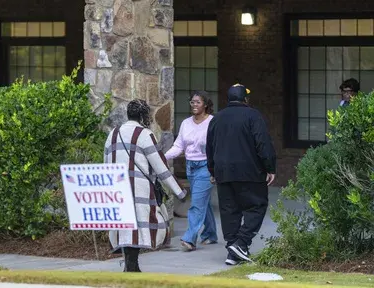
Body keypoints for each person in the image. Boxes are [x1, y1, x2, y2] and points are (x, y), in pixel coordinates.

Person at [104, 99, 187, 272]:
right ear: (143, 116)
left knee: (125, 228)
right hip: (139, 191)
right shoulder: (144, 134)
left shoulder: (112, 134)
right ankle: (132, 267)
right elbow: (161, 167)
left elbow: (105, 163)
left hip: (117, 191)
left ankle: (130, 265)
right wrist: (180, 192)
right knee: (140, 227)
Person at [206, 84, 276, 266]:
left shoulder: (216, 119)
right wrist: (270, 167)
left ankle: (233, 250)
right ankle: (241, 243)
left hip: (223, 172)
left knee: (229, 211)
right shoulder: (253, 116)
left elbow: (210, 147)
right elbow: (263, 144)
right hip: (250, 172)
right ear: (245, 99)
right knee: (257, 206)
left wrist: (212, 170)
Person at [165, 91, 218, 251]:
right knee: (203, 202)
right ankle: (210, 234)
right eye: (192, 102)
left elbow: (217, 146)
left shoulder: (212, 122)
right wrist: (162, 157)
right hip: (191, 166)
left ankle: (190, 239)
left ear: (206, 104)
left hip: (206, 167)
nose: (194, 105)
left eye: (198, 102)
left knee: (196, 204)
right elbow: (179, 146)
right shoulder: (186, 123)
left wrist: (216, 170)